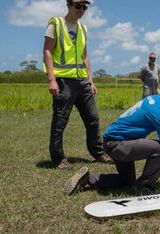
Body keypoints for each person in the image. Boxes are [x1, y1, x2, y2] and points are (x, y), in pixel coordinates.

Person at [63, 89, 160, 196]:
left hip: (116, 142)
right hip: (117, 144)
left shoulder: (157, 100)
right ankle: (144, 187)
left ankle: (88, 178)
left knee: (126, 181)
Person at [43, 0, 113, 169]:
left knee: (93, 118)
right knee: (60, 120)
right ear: (68, 5)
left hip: (82, 81)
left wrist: (90, 79)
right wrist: (52, 79)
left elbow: (85, 55)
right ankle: (58, 158)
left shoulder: (83, 28)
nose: (82, 10)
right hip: (63, 81)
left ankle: (98, 153)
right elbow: (47, 51)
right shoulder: (56, 24)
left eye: (85, 7)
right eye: (78, 6)